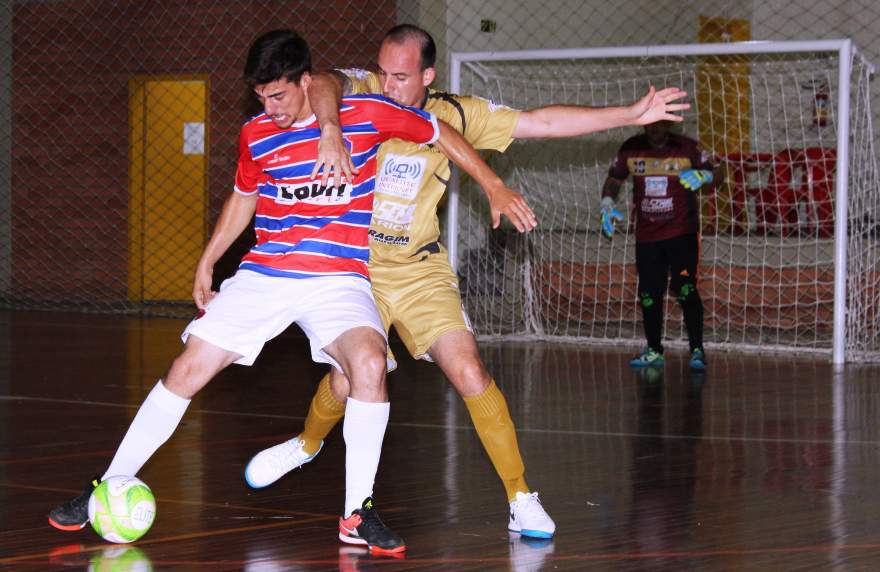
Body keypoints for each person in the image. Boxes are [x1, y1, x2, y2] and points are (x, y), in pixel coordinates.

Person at [47, 28, 532, 555]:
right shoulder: (256, 134)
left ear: (305, 83)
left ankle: (357, 513)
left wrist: (493, 184)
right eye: (260, 97)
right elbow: (242, 198)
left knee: (368, 364)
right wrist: (207, 260)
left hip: (338, 277)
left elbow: (441, 133)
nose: (269, 107)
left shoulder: (366, 114)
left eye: (278, 94)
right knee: (187, 367)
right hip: (267, 274)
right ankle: (107, 482)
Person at [243, 24, 690, 540]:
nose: (389, 86)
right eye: (383, 73)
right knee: (349, 382)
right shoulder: (362, 92)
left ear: (428, 75)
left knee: (470, 370)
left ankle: (521, 498)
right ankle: (306, 444)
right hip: (355, 268)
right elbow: (319, 79)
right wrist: (328, 127)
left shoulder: (456, 113)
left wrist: (630, 114)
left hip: (419, 269)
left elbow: (540, 122)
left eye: (402, 77)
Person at [600, 120, 722, 371]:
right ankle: (654, 349)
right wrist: (606, 203)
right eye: (649, 124)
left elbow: (718, 174)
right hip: (647, 237)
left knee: (685, 288)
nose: (654, 129)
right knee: (648, 294)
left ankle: (697, 349)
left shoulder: (687, 147)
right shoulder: (631, 149)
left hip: (681, 234)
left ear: (667, 124)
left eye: (659, 124)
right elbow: (614, 179)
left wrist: (706, 175)